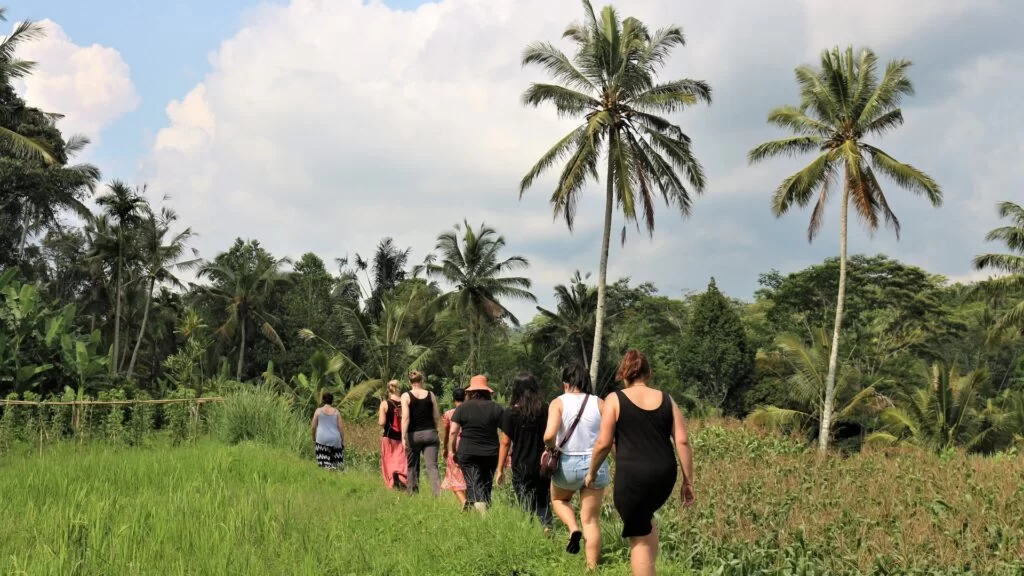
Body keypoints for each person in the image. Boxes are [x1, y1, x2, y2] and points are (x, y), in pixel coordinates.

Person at [586, 349, 695, 576]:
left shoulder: (614, 399)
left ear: (624, 374)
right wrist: (688, 481)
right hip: (664, 475)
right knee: (646, 520)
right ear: (649, 372)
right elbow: (682, 441)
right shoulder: (667, 399)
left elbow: (604, 443)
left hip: (633, 478)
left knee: (639, 540)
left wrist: (591, 472)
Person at [544, 361, 608, 569]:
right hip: (596, 465)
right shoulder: (600, 403)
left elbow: (549, 436)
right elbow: (610, 439)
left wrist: (551, 448)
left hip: (568, 464)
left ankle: (573, 528)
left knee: (558, 499)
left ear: (565, 383)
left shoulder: (558, 403)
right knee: (591, 519)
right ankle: (592, 568)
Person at [497, 372, 551, 529]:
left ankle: (530, 529)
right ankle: (546, 525)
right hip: (543, 462)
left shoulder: (510, 413)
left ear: (516, 389)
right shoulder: (545, 409)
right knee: (543, 498)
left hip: (521, 464)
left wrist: (500, 469)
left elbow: (505, 443)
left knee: (525, 500)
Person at [449, 375, 504, 512]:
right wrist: (506, 452)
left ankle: (481, 515)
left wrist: (452, 451)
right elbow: (506, 433)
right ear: (487, 392)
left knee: (473, 483)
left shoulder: (462, 408)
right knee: (486, 484)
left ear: (470, 392)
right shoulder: (496, 408)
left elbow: (453, 432)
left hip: (468, 452)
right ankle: (485, 512)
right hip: (491, 453)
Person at [401, 370, 442, 496]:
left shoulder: (406, 396)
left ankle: (413, 493)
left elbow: (406, 418)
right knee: (432, 466)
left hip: (414, 435)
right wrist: (436, 430)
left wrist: (403, 436)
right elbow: (436, 416)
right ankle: (437, 494)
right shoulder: (431, 394)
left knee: (412, 465)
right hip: (430, 433)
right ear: (422, 381)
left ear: (410, 382)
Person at [378, 380, 408, 490]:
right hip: (402, 437)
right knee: (401, 461)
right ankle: (401, 479)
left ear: (388, 389)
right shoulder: (405, 403)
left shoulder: (384, 404)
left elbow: (382, 422)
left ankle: (392, 482)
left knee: (389, 461)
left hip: (389, 437)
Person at [441, 387, 468, 506]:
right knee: (466, 476)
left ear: (453, 399)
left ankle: (464, 502)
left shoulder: (448, 414)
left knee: (453, 477)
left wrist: (445, 448)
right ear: (465, 398)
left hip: (454, 445)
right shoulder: (470, 412)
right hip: (468, 444)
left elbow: (447, 433)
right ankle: (468, 501)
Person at [311, 392, 345, 470]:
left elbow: (313, 427)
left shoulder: (318, 411)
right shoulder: (336, 412)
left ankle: (328, 469)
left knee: (323, 463)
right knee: (337, 465)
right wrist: (342, 440)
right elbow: (340, 428)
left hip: (322, 439)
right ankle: (333, 470)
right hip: (335, 440)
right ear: (332, 401)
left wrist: (313, 439)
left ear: (323, 400)